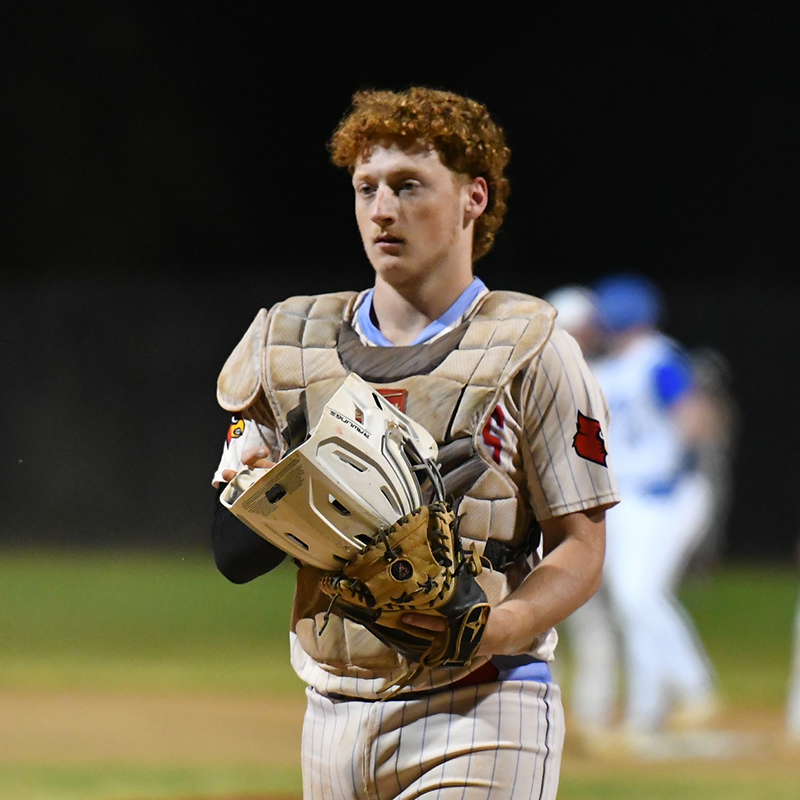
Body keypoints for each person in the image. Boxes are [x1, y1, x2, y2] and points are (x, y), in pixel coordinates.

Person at [210, 87, 619, 799]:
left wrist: (504, 623)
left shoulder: (530, 349)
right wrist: (302, 492)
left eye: (408, 185)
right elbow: (232, 556)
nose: (382, 209)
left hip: (486, 706)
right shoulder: (289, 348)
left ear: (473, 198)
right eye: (366, 187)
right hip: (333, 708)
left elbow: (581, 546)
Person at [553, 275, 719, 746]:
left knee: (638, 596)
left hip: (664, 494)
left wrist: (676, 459)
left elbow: (695, 417)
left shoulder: (656, 357)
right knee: (635, 601)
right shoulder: (610, 369)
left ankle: (695, 687)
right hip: (630, 500)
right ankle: (649, 711)